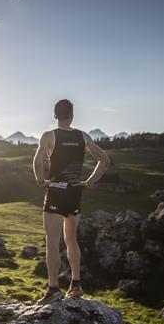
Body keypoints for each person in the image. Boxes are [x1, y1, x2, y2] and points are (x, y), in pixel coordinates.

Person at [33, 99, 111, 304]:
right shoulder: (83, 136)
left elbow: (38, 160)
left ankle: (53, 289)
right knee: (71, 239)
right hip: (76, 192)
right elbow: (104, 159)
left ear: (55, 115)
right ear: (72, 115)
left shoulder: (49, 136)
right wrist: (89, 182)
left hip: (56, 191)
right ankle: (76, 285)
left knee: (52, 241)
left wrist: (41, 181)